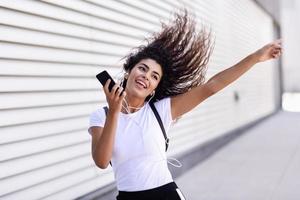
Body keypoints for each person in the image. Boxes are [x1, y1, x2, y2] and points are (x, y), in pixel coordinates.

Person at [88, 9, 282, 200]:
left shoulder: (161, 110)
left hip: (166, 194)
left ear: (155, 87)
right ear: (129, 71)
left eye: (154, 76)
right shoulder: (101, 116)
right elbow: (102, 161)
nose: (146, 77)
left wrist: (255, 58)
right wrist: (114, 112)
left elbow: (211, 87)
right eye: (142, 69)